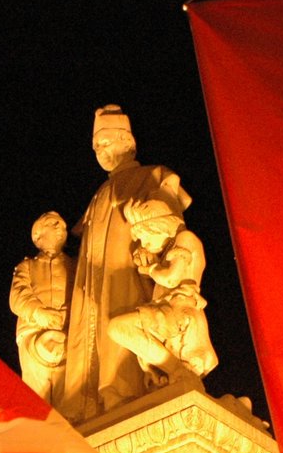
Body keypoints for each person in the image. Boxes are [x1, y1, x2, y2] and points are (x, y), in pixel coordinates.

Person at [58, 105, 191, 422]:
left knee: (119, 319)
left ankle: (121, 391)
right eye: (96, 147)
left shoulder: (153, 175)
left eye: (106, 143)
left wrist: (154, 253)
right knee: (88, 330)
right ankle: (83, 403)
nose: (100, 152)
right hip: (93, 280)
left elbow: (171, 222)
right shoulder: (100, 193)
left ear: (127, 141)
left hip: (130, 271)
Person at [105, 198, 217, 389]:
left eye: (146, 237)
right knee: (122, 330)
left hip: (179, 310)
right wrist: (148, 270)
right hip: (169, 310)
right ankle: (174, 369)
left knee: (117, 328)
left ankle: (177, 370)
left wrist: (151, 269)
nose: (145, 244)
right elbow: (156, 296)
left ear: (161, 226)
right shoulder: (170, 251)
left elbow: (171, 279)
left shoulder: (186, 239)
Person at [8, 211, 74, 407]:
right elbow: (18, 296)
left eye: (62, 225)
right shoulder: (26, 266)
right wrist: (39, 313)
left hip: (68, 331)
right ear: (37, 236)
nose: (60, 228)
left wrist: (68, 313)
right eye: (53, 224)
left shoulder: (76, 265)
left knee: (69, 389)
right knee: (36, 391)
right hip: (32, 332)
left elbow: (83, 294)